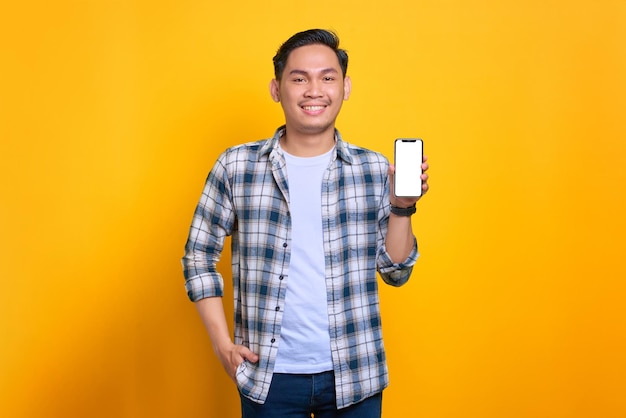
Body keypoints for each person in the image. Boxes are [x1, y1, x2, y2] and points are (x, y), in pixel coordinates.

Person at [181, 28, 429, 418]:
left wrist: (402, 206)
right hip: (267, 376)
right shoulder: (237, 166)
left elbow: (396, 272)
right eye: (299, 78)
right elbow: (198, 256)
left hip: (355, 374)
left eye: (327, 77)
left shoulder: (375, 169)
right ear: (277, 89)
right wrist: (222, 345)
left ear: (345, 87)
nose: (315, 90)